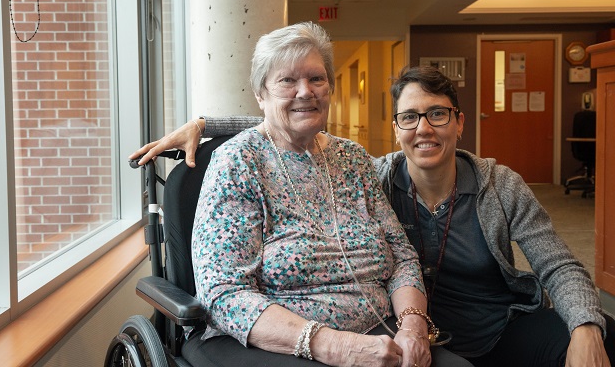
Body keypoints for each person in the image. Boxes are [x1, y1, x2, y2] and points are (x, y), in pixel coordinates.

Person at [133, 62, 614, 365]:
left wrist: (587, 328)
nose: (424, 128)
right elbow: (293, 123)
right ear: (396, 128)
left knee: (600, 336)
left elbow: (559, 265)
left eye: (438, 114)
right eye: (410, 117)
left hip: (489, 327)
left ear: (460, 122)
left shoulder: (497, 185)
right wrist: (204, 123)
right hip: (410, 330)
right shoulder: (376, 173)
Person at [144, 22, 474, 367]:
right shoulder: (239, 162)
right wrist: (335, 346)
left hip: (380, 329)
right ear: (261, 94)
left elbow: (402, 258)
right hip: (273, 342)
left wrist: (413, 326)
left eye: (316, 79)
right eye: (287, 80)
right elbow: (224, 294)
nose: (306, 91)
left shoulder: (353, 159)